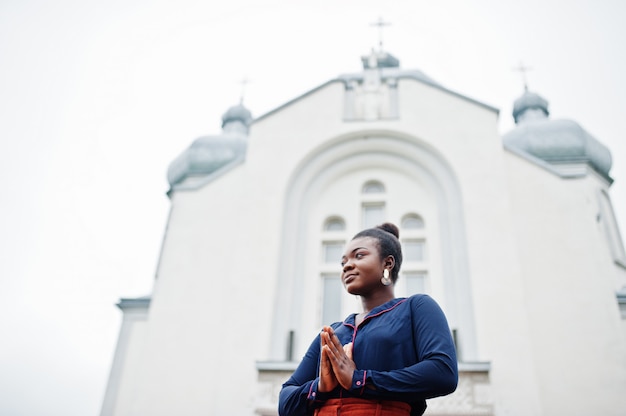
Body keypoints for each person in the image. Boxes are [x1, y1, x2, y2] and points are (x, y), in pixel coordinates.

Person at [278, 223, 458, 416]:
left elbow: (443, 372)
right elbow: (285, 401)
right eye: (343, 262)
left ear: (387, 263)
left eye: (359, 255)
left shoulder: (416, 307)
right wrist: (320, 386)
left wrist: (359, 380)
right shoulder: (334, 332)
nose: (347, 265)